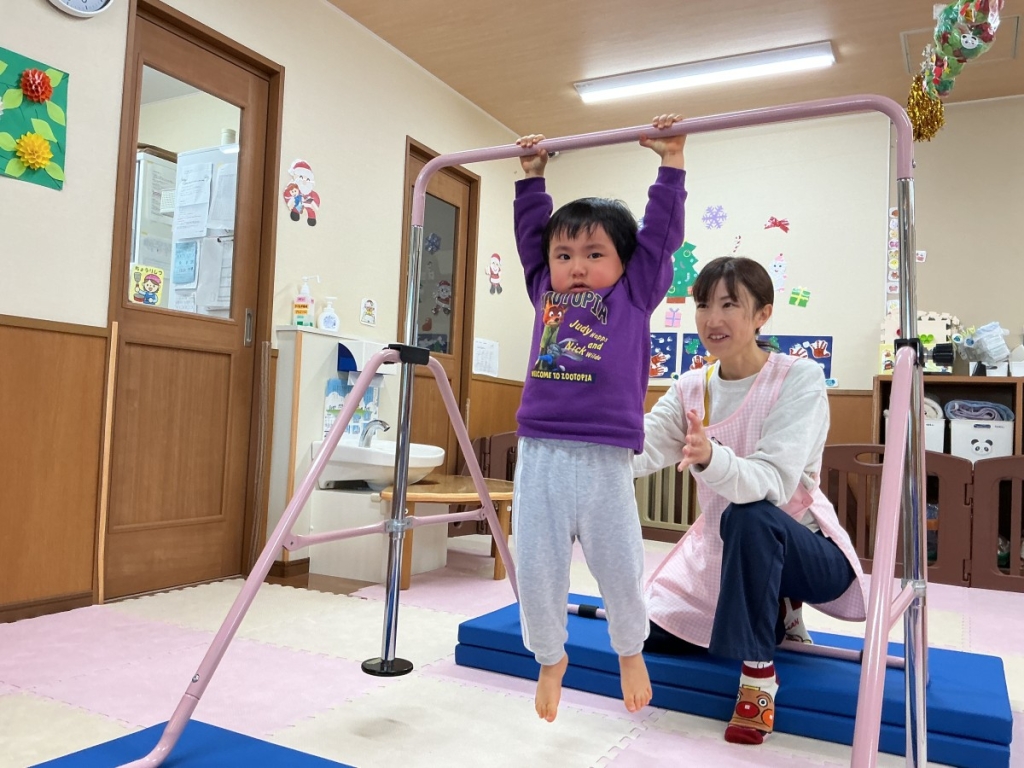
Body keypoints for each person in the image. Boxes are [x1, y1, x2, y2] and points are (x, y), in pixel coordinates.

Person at [634, 255, 868, 744]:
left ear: (762, 314)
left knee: (751, 514)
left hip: (803, 550)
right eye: (702, 304)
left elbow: (774, 482)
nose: (712, 319)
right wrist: (586, 454)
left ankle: (759, 675)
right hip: (723, 552)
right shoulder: (690, 386)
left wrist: (710, 456)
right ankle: (775, 613)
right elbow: (644, 446)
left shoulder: (799, 379)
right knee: (646, 634)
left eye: (728, 305)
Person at [512, 114, 687, 723]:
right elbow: (532, 237)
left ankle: (629, 651)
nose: (577, 265)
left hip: (606, 459)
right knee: (535, 566)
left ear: (624, 262)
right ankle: (549, 657)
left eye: (593, 253)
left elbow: (661, 237)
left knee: (618, 564)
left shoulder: (634, 295)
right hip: (539, 455)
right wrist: (532, 178)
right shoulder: (546, 293)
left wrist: (671, 164)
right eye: (566, 255)